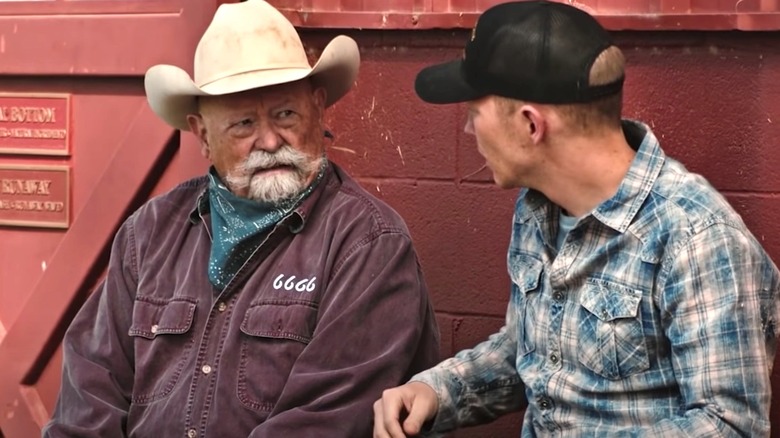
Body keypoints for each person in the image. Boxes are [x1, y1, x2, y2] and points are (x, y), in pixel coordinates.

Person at [373, 1, 780, 437]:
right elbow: (534, 352)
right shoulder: (537, 208)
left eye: (475, 115)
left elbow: (729, 426)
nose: (470, 133)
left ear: (531, 126)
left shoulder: (697, 238)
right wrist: (439, 390)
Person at [42, 1, 440, 436]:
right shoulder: (149, 232)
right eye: (243, 124)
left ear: (318, 107)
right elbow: (90, 394)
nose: (269, 140)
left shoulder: (368, 242)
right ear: (203, 135)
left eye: (286, 113)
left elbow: (326, 422)